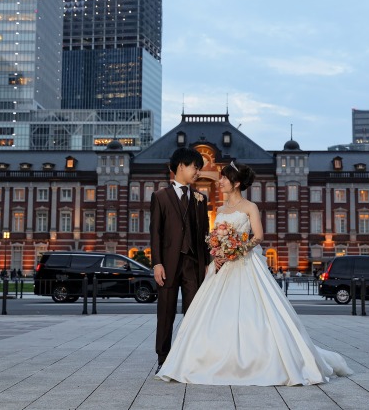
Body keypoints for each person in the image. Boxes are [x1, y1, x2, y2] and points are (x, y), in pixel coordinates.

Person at [156, 161, 352, 386]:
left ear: (236, 183)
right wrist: (217, 254)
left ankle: (257, 361)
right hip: (222, 268)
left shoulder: (250, 207)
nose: (220, 181)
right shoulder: (220, 209)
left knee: (254, 314)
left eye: (224, 178)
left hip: (244, 264)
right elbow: (214, 238)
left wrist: (236, 250)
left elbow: (258, 236)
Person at [150, 147, 210, 373]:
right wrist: (157, 263)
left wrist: (206, 263)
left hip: (193, 264)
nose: (198, 172)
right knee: (165, 313)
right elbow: (155, 232)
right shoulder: (160, 196)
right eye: (195, 167)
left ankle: (191, 358)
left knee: (194, 312)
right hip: (167, 264)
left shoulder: (200, 198)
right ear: (181, 166)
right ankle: (163, 359)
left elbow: (204, 233)